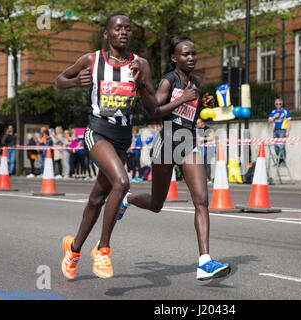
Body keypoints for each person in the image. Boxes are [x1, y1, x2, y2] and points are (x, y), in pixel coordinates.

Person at [56, 12, 157, 279]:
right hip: (97, 131)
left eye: (128, 28)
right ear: (107, 34)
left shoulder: (141, 64)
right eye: (118, 28)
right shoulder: (92, 59)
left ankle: (74, 249)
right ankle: (103, 250)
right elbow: (59, 80)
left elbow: (153, 106)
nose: (123, 32)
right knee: (121, 183)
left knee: (97, 199)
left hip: (123, 136)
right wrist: (75, 82)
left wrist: (142, 83)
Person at [122, 36, 231, 281]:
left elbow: (191, 111)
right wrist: (182, 99)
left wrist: (203, 103)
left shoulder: (196, 81)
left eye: (194, 53)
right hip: (167, 142)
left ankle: (204, 262)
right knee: (157, 204)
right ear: (174, 58)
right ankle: (127, 199)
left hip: (188, 141)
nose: (191, 58)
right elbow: (154, 111)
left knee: (201, 201)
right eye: (185, 54)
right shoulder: (168, 81)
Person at [268, 98, 291, 166]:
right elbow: (269, 121)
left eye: (280, 104)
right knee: (276, 146)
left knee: (281, 146)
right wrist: (274, 117)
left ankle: (283, 161)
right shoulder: (273, 112)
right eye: (277, 104)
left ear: (282, 104)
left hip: (282, 130)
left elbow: (289, 122)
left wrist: (287, 132)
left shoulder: (285, 111)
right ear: (275, 105)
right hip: (275, 130)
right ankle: (279, 160)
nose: (278, 105)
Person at [196, 118, 214, 184]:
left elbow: (211, 137)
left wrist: (202, 138)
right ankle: (202, 178)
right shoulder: (198, 130)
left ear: (202, 123)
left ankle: (208, 178)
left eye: (198, 123)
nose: (197, 125)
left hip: (208, 148)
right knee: (201, 164)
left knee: (207, 164)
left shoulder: (207, 129)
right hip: (201, 148)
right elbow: (198, 139)